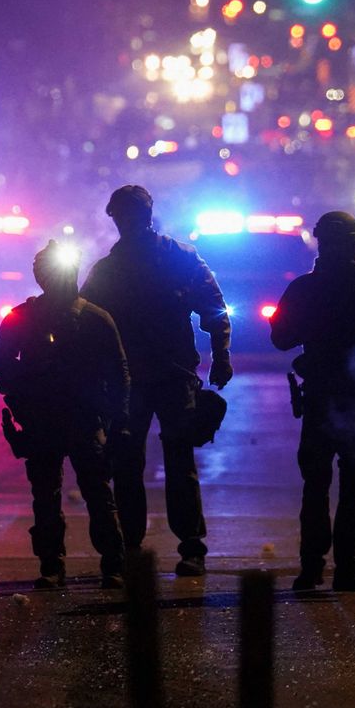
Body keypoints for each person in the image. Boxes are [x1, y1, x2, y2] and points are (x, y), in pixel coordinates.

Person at [80, 185, 231, 577]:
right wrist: (221, 355)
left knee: (144, 462)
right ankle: (175, 547)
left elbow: (213, 307)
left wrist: (222, 354)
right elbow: (214, 308)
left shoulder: (116, 268)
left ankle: (149, 547)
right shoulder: (172, 259)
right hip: (152, 378)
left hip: (156, 377)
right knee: (159, 461)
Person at [269, 211, 355, 591]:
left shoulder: (304, 290)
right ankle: (346, 567)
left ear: (320, 241)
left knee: (315, 484)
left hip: (321, 399)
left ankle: (312, 567)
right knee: (353, 486)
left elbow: (280, 339)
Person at [0, 240, 129, 588]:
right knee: (51, 494)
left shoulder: (94, 317)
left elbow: (118, 372)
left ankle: (110, 563)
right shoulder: (27, 316)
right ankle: (54, 564)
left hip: (81, 417)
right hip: (46, 417)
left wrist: (118, 420)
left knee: (94, 494)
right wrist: (25, 382)